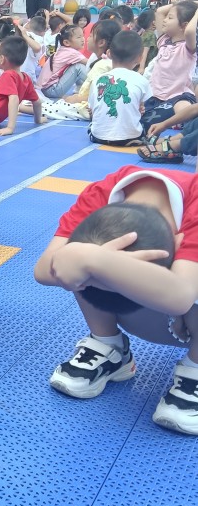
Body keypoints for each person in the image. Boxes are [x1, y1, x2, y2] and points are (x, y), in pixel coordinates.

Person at [34, 166, 198, 435]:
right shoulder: (101, 193)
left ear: (176, 241)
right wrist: (88, 261)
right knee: (77, 258)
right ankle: (109, 346)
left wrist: (95, 261)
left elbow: (180, 296)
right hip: (158, 308)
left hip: (184, 298)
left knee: (83, 258)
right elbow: (43, 271)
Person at [139, 1, 198, 132]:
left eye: (170, 18)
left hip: (178, 96)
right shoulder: (163, 41)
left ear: (184, 25)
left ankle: (183, 124)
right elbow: (160, 11)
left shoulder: (188, 48)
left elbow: (190, 31)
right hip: (155, 97)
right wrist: (184, 3)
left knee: (184, 107)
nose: (165, 20)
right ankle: (175, 122)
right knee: (140, 121)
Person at [88, 31, 150, 146]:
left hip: (99, 137)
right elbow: (143, 107)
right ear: (139, 58)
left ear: (109, 53)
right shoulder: (142, 80)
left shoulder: (98, 80)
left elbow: (92, 110)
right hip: (130, 138)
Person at [0, 35, 44, 135]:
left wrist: (10, 128)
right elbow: (37, 102)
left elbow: (14, 99)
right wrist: (38, 119)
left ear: (2, 59)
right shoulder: (25, 78)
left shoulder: (8, 75)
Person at [37, 24, 89, 100]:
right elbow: (90, 63)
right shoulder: (71, 53)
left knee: (77, 66)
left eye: (82, 36)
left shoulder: (63, 49)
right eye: (79, 37)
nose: (83, 39)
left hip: (45, 89)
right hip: (50, 90)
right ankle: (97, 86)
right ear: (67, 42)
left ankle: (79, 91)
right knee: (78, 67)